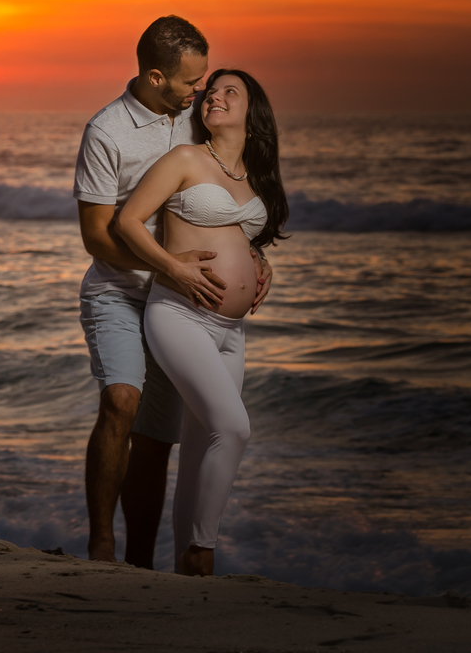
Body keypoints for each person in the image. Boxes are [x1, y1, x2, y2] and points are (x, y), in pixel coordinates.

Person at [73, 16, 273, 566]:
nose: (200, 92)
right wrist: (168, 269)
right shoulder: (107, 132)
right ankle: (101, 546)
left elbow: (219, 201)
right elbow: (98, 237)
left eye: (205, 82)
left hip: (180, 300)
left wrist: (252, 256)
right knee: (121, 400)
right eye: (190, 82)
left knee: (158, 439)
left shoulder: (192, 123)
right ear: (157, 76)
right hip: (119, 288)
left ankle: (141, 558)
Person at [113, 69, 288, 575]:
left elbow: (242, 234)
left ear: (252, 116)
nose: (215, 96)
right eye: (211, 91)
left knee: (201, 444)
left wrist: (258, 259)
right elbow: (127, 222)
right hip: (178, 314)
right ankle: (203, 551)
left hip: (231, 332)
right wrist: (172, 267)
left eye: (230, 91)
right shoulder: (186, 159)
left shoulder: (253, 176)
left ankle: (184, 574)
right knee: (233, 428)